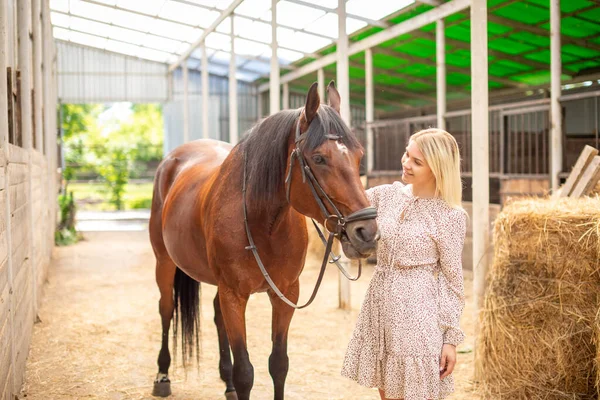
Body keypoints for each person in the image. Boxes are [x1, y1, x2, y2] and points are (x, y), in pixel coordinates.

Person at [341, 128, 467, 400]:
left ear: (438, 168)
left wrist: (450, 339)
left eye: (416, 162)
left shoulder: (450, 216)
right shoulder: (384, 196)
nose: (405, 163)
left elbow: (453, 281)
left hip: (417, 314)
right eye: (407, 155)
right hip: (379, 307)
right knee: (386, 393)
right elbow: (343, 204)